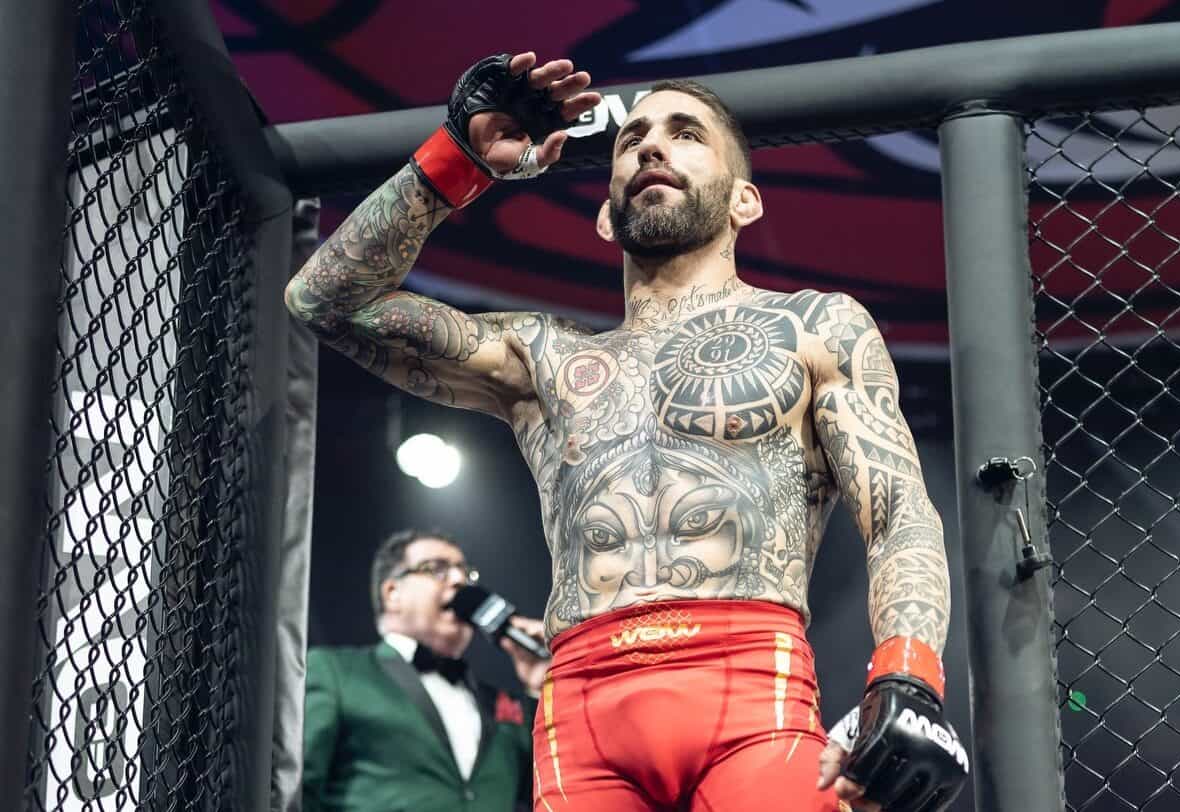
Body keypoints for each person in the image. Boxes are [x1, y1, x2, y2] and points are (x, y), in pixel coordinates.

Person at [286, 51, 969, 812]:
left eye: (686, 134)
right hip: (581, 707)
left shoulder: (813, 328)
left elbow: (899, 512)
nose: (651, 145)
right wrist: (461, 157)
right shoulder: (542, 359)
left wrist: (907, 675)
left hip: (752, 690)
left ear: (745, 201)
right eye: (632, 137)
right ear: (607, 213)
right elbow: (325, 300)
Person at [302, 529, 549, 812]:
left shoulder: (502, 703)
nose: (459, 581)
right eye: (437, 569)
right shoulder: (335, 672)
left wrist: (544, 687)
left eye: (465, 574)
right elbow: (298, 786)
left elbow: (552, 789)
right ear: (392, 593)